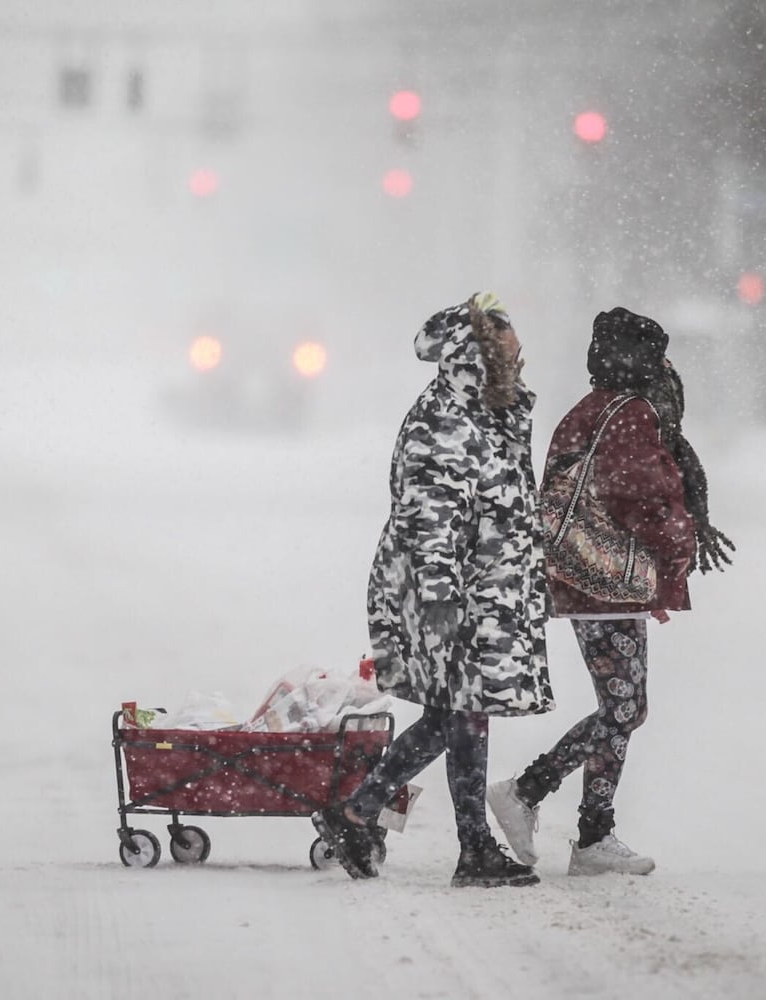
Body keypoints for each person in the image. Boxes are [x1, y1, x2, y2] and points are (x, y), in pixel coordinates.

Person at [313, 292, 555, 888]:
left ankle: (359, 811)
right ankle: (471, 847)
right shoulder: (445, 421)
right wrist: (441, 599)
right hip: (442, 591)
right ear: (474, 354)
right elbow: (431, 520)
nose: (519, 358)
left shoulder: (486, 415)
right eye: (508, 349)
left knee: (453, 714)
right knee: (464, 712)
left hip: (479, 590)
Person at [486, 306, 733, 876]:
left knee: (623, 707)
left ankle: (581, 824)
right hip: (602, 581)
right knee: (624, 707)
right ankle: (535, 797)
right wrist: (678, 542)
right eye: (658, 355)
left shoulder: (596, 408)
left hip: (592, 578)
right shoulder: (630, 413)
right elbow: (640, 493)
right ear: (642, 361)